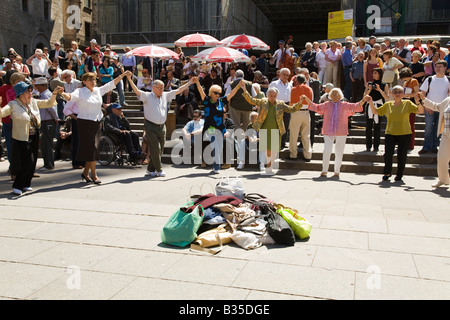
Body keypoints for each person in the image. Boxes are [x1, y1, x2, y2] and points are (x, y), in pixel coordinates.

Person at [59, 71, 130, 184]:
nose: (93, 82)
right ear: (84, 82)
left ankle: (86, 173)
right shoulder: (80, 91)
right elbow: (70, 97)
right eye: (90, 80)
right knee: (92, 148)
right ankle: (94, 174)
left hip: (96, 122)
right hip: (84, 122)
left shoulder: (97, 90)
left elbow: (110, 85)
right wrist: (63, 93)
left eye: (94, 80)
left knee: (93, 148)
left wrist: (122, 75)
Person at [0, 81, 63, 195]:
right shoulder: (13, 104)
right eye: (27, 92)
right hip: (20, 138)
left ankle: (26, 184)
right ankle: (17, 185)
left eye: (30, 91)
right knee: (26, 161)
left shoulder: (33, 102)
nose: (30, 94)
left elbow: (49, 103)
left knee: (32, 163)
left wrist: (54, 93)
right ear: (20, 94)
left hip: (34, 136)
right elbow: (2, 112)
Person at [126, 73, 193, 177]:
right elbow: (136, 91)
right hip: (151, 126)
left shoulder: (165, 95)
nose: (162, 90)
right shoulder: (147, 96)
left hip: (162, 126)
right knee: (155, 148)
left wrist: (189, 83)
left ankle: (150, 169)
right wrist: (130, 80)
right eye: (160, 88)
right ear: (154, 88)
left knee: (160, 149)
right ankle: (159, 169)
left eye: (163, 88)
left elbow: (178, 90)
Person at [302, 89, 369, 178]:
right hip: (328, 131)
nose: (334, 95)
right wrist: (306, 99)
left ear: (340, 96)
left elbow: (355, 106)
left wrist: (363, 100)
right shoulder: (326, 104)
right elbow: (316, 107)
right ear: (330, 96)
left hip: (341, 131)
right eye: (332, 94)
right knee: (327, 150)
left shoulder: (344, 105)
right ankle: (324, 170)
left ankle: (337, 171)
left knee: (339, 152)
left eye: (336, 94)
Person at [241, 84, 303, 175]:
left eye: (274, 96)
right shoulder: (263, 102)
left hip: (276, 129)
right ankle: (268, 167)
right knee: (267, 149)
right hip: (264, 129)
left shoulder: (280, 103)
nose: (272, 97)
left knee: (274, 150)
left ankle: (270, 166)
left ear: (276, 96)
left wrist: (300, 102)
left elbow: (291, 109)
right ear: (267, 95)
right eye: (270, 96)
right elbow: (251, 100)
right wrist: (244, 90)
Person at [368, 86, 424, 181]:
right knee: (388, 154)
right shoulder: (388, 104)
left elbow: (420, 111)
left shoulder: (407, 103)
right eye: (395, 92)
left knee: (402, 155)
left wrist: (418, 102)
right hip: (390, 133)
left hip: (405, 133)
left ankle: (399, 174)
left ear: (403, 94)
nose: (397, 94)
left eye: (399, 92)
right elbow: (376, 111)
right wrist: (370, 102)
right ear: (392, 94)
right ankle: (387, 172)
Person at [193, 77, 242, 174]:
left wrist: (238, 86)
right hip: (210, 129)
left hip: (221, 128)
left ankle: (216, 165)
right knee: (215, 146)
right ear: (211, 93)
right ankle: (216, 167)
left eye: (219, 93)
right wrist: (198, 83)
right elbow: (201, 91)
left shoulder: (221, 101)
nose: (217, 95)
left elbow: (230, 94)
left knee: (219, 148)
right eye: (215, 93)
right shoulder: (207, 101)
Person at [417, 92, 450, 188]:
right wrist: (424, 99)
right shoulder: (447, 100)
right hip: (446, 134)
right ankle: (444, 180)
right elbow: (436, 106)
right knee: (442, 158)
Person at [419, 60, 450, 154]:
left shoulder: (448, 80)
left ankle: (434, 147)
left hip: (442, 109)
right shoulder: (429, 79)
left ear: (445, 68)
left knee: (438, 128)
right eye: (436, 67)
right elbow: (422, 94)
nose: (438, 68)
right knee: (428, 128)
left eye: (440, 66)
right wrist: (426, 105)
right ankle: (426, 146)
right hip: (430, 108)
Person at [34, 77, 59, 171]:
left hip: (48, 121)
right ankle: (47, 163)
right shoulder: (42, 94)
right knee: (45, 143)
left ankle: (49, 164)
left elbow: (51, 108)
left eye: (37, 85)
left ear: (41, 85)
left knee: (47, 143)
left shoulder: (47, 95)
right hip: (45, 121)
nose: (36, 87)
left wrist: (56, 118)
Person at [363, 68, 389, 152]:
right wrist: (369, 89)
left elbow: (387, 97)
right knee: (368, 126)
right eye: (373, 73)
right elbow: (364, 95)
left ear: (379, 74)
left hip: (379, 106)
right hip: (370, 104)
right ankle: (368, 145)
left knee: (377, 126)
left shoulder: (384, 84)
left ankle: (376, 146)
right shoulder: (370, 84)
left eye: (375, 73)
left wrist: (379, 90)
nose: (374, 75)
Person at [288, 74, 313, 161]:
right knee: (306, 135)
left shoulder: (294, 89)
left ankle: (293, 154)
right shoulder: (310, 89)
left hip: (296, 112)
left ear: (297, 81)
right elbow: (311, 102)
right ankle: (308, 155)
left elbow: (291, 103)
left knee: (294, 135)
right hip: (306, 112)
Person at [269, 68, 292, 149]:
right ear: (280, 74)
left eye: (287, 75)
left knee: (285, 123)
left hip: (286, 105)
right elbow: (268, 95)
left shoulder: (290, 85)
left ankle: (283, 142)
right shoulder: (274, 84)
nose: (285, 76)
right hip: (276, 104)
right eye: (284, 74)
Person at [399, 67, 420, 151]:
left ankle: (410, 144)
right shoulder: (405, 82)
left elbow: (416, 92)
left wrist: (407, 95)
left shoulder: (414, 81)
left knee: (410, 124)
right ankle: (404, 142)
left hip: (411, 103)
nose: (404, 79)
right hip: (404, 103)